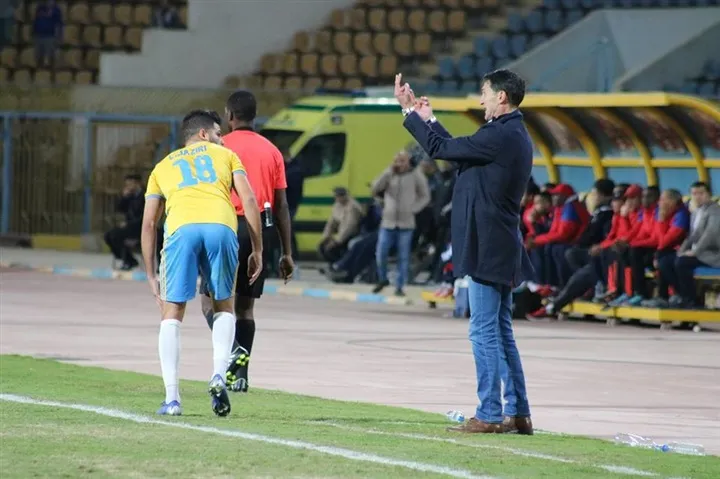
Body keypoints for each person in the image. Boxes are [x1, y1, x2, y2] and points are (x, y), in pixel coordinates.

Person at [395, 69, 534, 434]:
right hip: (500, 243)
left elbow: (442, 150)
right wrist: (428, 120)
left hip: (488, 244)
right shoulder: (510, 133)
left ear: (501, 97)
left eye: (484, 92)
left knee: (483, 331)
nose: (481, 99)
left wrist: (409, 113)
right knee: (500, 331)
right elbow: (458, 152)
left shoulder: (499, 134)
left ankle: (489, 413)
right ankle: (518, 412)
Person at [140, 109, 263, 417]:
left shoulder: (162, 166)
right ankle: (219, 375)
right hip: (220, 226)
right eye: (219, 134)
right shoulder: (228, 157)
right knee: (224, 305)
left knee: (172, 313)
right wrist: (257, 249)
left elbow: (149, 223)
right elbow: (249, 200)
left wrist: (151, 274)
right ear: (204, 134)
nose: (223, 140)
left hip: (181, 228)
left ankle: (172, 399)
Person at [200, 90, 294, 394]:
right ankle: (241, 376)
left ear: (229, 115)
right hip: (259, 231)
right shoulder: (272, 151)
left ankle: (233, 351)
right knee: (245, 307)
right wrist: (287, 252)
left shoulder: (220, 147)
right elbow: (282, 205)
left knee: (209, 302)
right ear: (255, 115)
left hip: (225, 226)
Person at [371, 150, 430, 296]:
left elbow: (425, 196)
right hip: (388, 222)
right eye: (397, 161)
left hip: (406, 224)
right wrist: (387, 173)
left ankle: (399, 286)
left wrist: (414, 209)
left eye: (402, 161)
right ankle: (383, 279)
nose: (399, 164)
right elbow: (375, 188)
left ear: (408, 162)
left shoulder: (415, 175)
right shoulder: (389, 173)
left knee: (403, 256)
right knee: (381, 252)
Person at [653, 182, 719, 308]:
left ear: (709, 194)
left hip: (711, 254)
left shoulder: (715, 211)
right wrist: (682, 250)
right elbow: (693, 235)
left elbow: (710, 235)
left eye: (701, 193)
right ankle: (683, 295)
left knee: (682, 262)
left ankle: (691, 300)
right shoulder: (696, 212)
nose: (697, 197)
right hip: (697, 253)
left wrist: (695, 252)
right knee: (665, 262)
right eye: (694, 194)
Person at [104, 174, 145, 270]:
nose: (128, 187)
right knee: (108, 236)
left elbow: (143, 217)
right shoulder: (130, 196)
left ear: (137, 184)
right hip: (129, 227)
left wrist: (129, 224)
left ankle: (129, 260)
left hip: (140, 227)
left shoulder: (144, 196)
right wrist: (124, 197)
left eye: (130, 184)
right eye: (127, 185)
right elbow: (120, 209)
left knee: (115, 235)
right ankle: (128, 259)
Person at [317, 187, 363, 265]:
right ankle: (333, 265)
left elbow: (350, 227)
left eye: (338, 196)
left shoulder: (352, 207)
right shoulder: (337, 205)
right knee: (322, 246)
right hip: (342, 234)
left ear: (344, 196)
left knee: (331, 249)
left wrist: (337, 241)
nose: (336, 199)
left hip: (352, 234)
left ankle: (340, 265)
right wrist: (327, 236)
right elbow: (331, 222)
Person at [32, 0, 62, 68]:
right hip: (38, 36)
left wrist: (59, 37)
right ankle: (39, 71)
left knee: (50, 57)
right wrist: (33, 33)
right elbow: (35, 21)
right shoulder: (39, 8)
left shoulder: (56, 10)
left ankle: (51, 72)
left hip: (50, 36)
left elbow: (59, 24)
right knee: (38, 56)